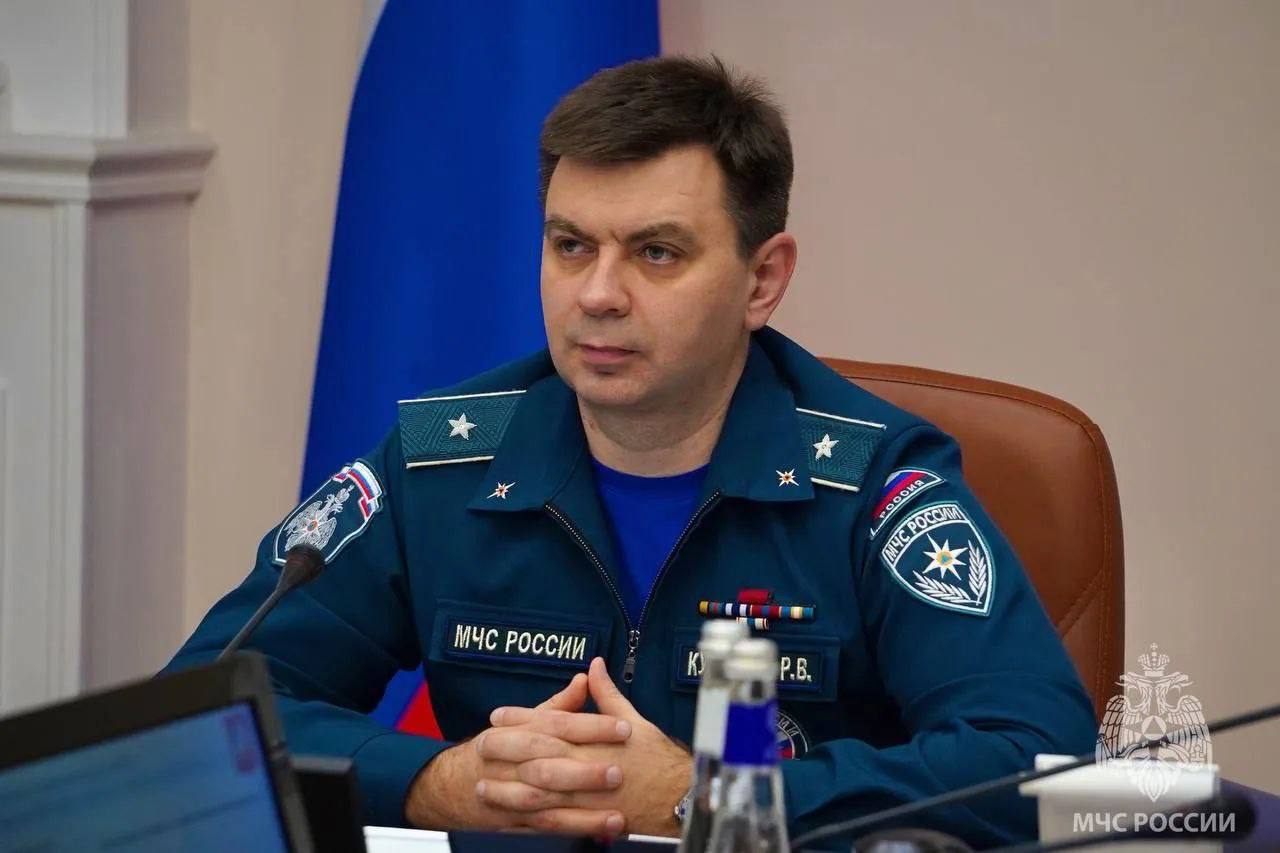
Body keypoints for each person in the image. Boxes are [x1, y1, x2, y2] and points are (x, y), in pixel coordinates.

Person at [166, 56, 1096, 847]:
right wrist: (435, 780)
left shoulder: (874, 488)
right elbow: (198, 722)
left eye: (655, 253)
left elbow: (1043, 766)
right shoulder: (440, 465)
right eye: (571, 245)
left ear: (762, 279)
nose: (597, 294)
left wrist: (713, 800)